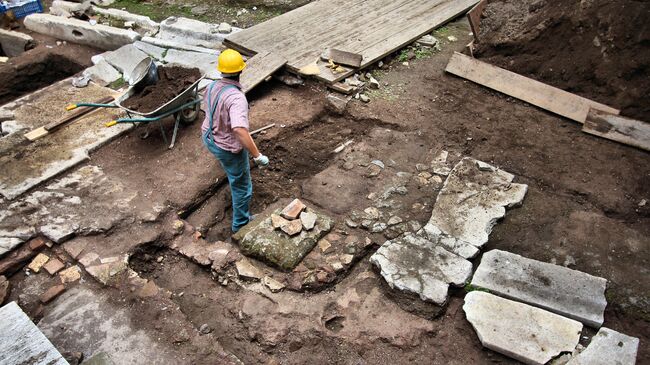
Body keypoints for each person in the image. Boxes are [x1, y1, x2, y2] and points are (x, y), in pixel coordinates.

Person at [202, 49, 269, 233]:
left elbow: (207, 109)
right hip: (226, 146)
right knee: (242, 185)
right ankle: (240, 224)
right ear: (241, 70)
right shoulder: (237, 98)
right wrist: (257, 155)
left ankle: (228, 168)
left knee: (232, 171)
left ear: (221, 70)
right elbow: (239, 129)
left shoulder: (212, 87)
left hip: (209, 137)